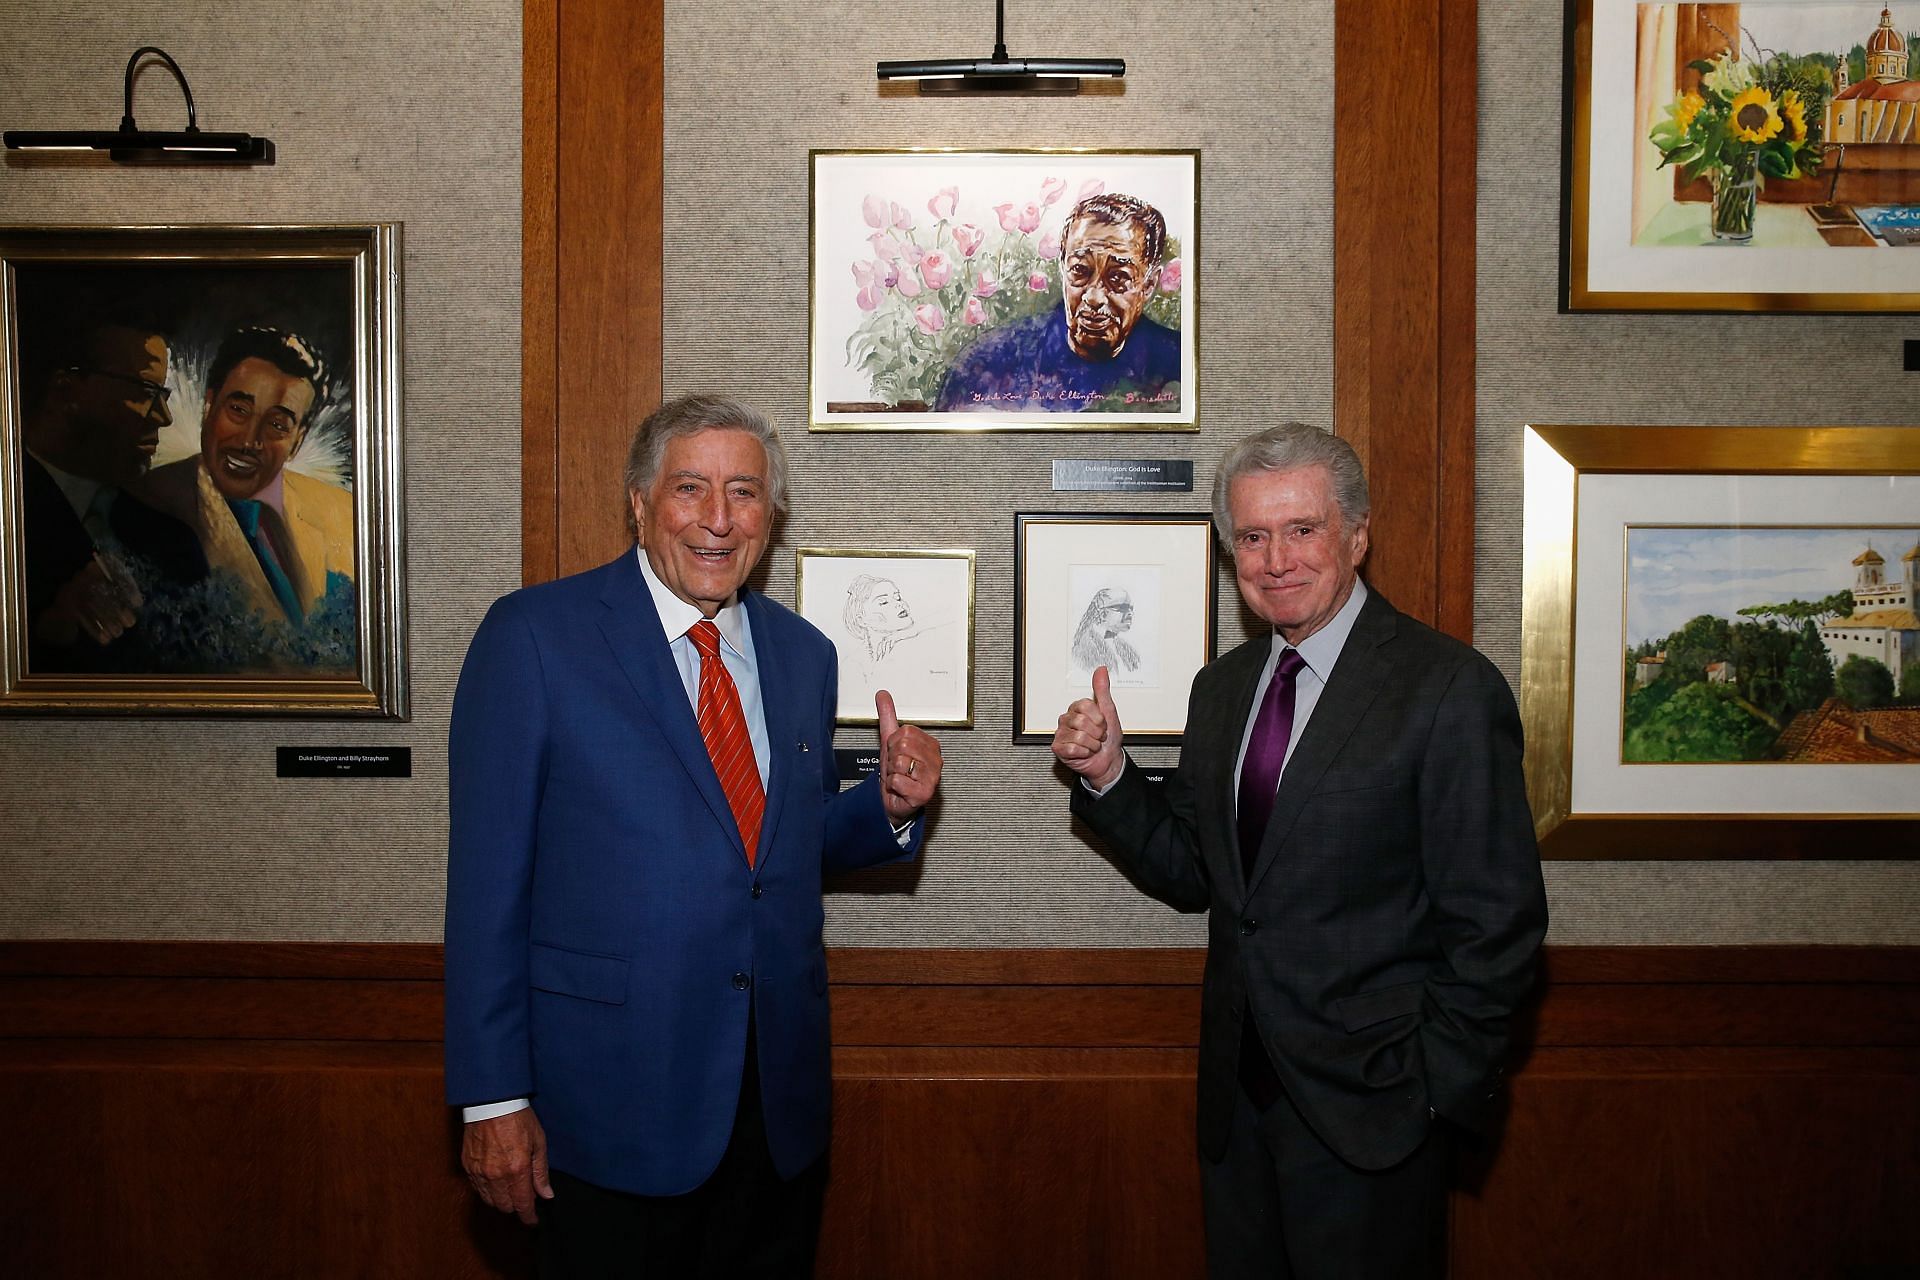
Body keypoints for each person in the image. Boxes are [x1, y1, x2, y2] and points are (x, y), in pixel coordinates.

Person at [445, 393, 944, 1277]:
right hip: (603, 1111)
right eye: (691, 489)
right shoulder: (533, 638)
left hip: (773, 1109)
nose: (718, 519)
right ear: (638, 502)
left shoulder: (803, 654)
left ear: (771, 515)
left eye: (744, 492)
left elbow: (771, 851)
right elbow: (486, 891)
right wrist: (492, 1098)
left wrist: (889, 810)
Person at [1051, 422, 1546, 1279]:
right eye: (1251, 536)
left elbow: (1498, 928)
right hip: (1238, 1114)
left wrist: (1429, 1096)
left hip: (1376, 1120)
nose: (1275, 558)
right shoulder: (1223, 690)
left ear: (1357, 534)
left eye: (1301, 529)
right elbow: (1200, 875)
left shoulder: (1448, 690)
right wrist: (1109, 772)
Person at [126, 326, 352, 629]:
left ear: (298, 439)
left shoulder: (345, 513)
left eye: (277, 424)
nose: (249, 441)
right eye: (238, 410)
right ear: (209, 405)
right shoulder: (138, 506)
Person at [18, 315, 200, 671]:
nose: (164, 417)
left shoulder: (173, 541)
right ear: (66, 390)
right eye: (147, 393)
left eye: (162, 396)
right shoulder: (15, 512)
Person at [934, 193, 1181, 413]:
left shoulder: (1178, 363)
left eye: (1118, 278)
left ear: (1149, 285)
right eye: (1080, 271)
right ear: (1062, 269)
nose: (1093, 298)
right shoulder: (987, 363)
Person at [1069, 586, 1142, 676]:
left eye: (1131, 608)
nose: (1130, 613)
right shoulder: (1083, 648)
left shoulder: (1126, 648)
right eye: (1123, 608)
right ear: (1102, 614)